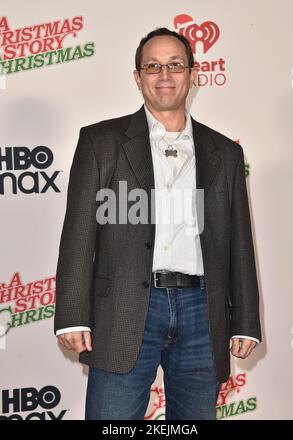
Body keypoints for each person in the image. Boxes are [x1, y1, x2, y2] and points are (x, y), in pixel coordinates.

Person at [54, 27, 261, 420]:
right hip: (125, 307)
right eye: (153, 66)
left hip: (203, 310)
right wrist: (72, 312)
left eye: (175, 65)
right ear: (138, 77)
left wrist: (246, 319)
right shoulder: (100, 142)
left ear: (192, 74)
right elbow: (79, 235)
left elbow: (239, 242)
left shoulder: (226, 152)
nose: (164, 75)